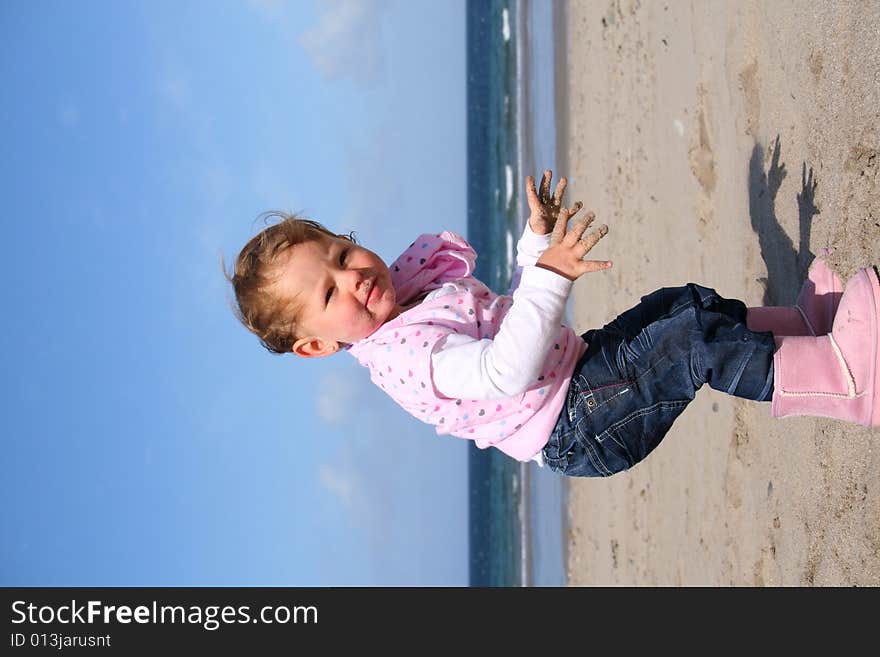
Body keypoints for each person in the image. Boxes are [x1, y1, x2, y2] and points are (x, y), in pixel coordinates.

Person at [226, 171, 878, 477]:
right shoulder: (405, 360)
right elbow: (504, 368)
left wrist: (535, 241)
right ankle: (844, 379)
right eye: (331, 290)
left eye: (342, 254)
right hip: (577, 423)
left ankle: (800, 333)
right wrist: (553, 277)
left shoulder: (413, 295)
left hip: (580, 373)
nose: (355, 276)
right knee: (689, 345)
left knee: (683, 306)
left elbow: (508, 308)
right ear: (316, 344)